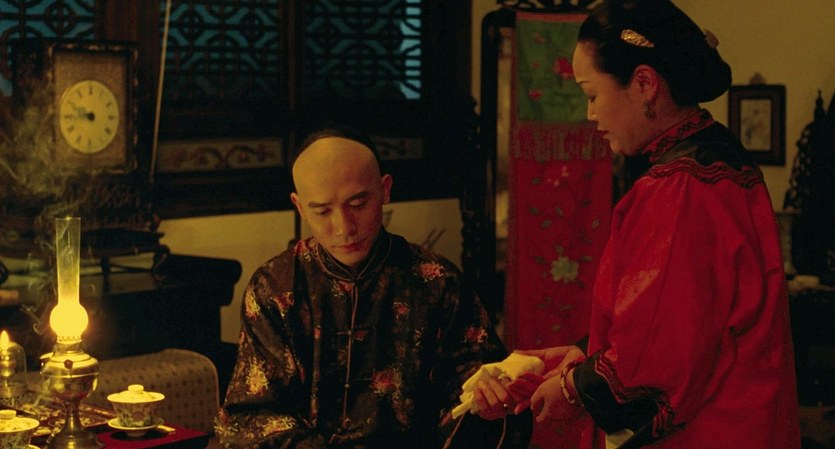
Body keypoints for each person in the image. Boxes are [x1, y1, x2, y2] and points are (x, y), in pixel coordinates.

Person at [508, 1, 801, 448]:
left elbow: (659, 350)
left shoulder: (680, 188)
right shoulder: (720, 163)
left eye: (592, 94)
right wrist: (584, 354)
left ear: (644, 84)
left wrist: (573, 389)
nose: (590, 114)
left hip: (711, 431)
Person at [214, 125, 532, 449]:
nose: (344, 228)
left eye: (358, 204)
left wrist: (489, 396)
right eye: (322, 211)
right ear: (299, 207)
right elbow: (252, 415)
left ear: (385, 190)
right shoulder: (275, 288)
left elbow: (474, 378)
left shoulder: (436, 281)